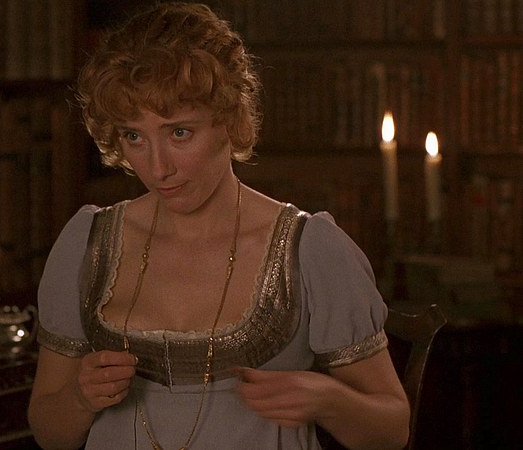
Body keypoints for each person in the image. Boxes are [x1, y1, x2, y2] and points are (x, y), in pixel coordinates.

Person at [27, 2, 410, 449]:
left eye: (179, 133)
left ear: (230, 120)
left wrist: (329, 400)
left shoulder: (309, 250)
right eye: (134, 136)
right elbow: (49, 433)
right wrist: (79, 399)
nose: (158, 167)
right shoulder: (87, 244)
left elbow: (392, 431)